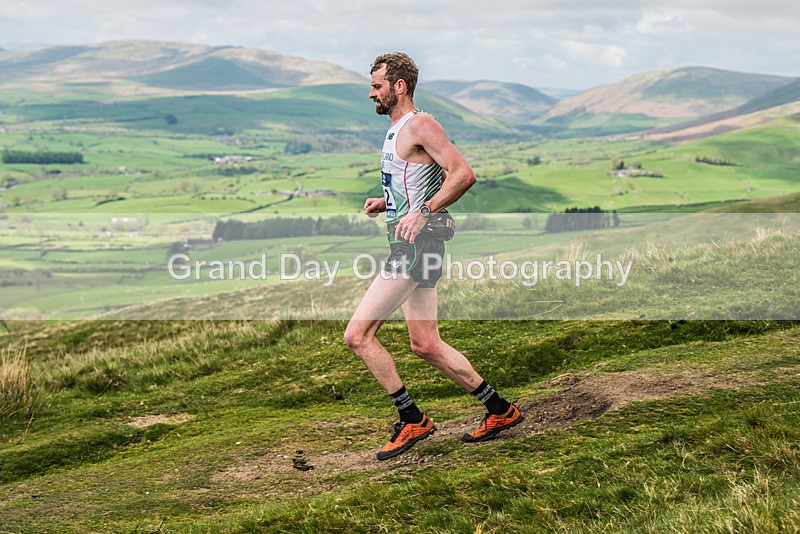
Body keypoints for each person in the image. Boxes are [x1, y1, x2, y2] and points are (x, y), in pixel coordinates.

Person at [343, 52, 523, 461]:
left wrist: (423, 212)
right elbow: (423, 179)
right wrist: (388, 204)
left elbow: (463, 174)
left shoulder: (420, 124)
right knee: (426, 344)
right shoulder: (398, 129)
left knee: (357, 336)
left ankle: (412, 419)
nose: (371, 93)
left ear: (399, 86)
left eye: (376, 86)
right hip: (412, 243)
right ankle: (500, 410)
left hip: (416, 247)